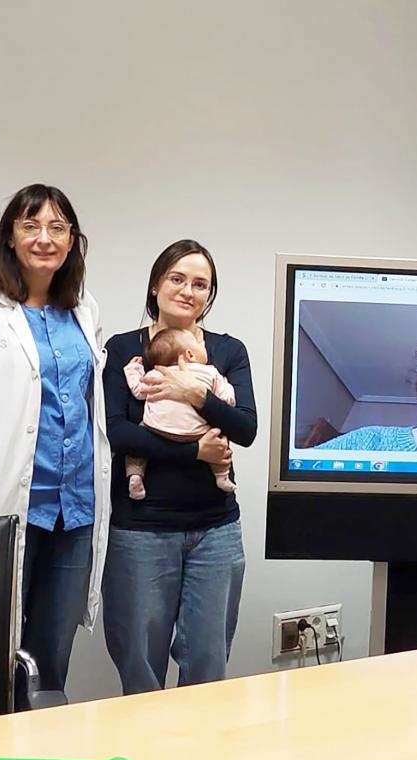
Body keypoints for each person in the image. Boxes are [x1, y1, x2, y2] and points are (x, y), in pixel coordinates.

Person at [0, 184, 110, 702]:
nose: (44, 238)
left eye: (57, 227)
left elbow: (85, 406)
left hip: (75, 510)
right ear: (10, 237)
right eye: (30, 225)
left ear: (73, 242)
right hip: (4, 505)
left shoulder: (84, 309)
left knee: (50, 660)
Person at [102, 239, 256, 693]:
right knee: (140, 668)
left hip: (215, 532)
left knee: (208, 667)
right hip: (142, 532)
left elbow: (245, 429)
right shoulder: (124, 349)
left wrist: (196, 396)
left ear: (210, 295)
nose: (188, 291)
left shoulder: (227, 353)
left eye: (200, 284)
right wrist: (195, 453)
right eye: (177, 278)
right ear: (155, 285)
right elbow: (118, 433)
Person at [123, 327, 238, 498]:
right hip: (196, 433)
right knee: (219, 438)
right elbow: (228, 400)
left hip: (157, 430)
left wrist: (133, 370)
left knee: (136, 446)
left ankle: (135, 476)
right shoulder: (210, 372)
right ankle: (221, 475)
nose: (203, 345)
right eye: (199, 343)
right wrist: (226, 385)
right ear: (190, 354)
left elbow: (138, 391)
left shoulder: (156, 373)